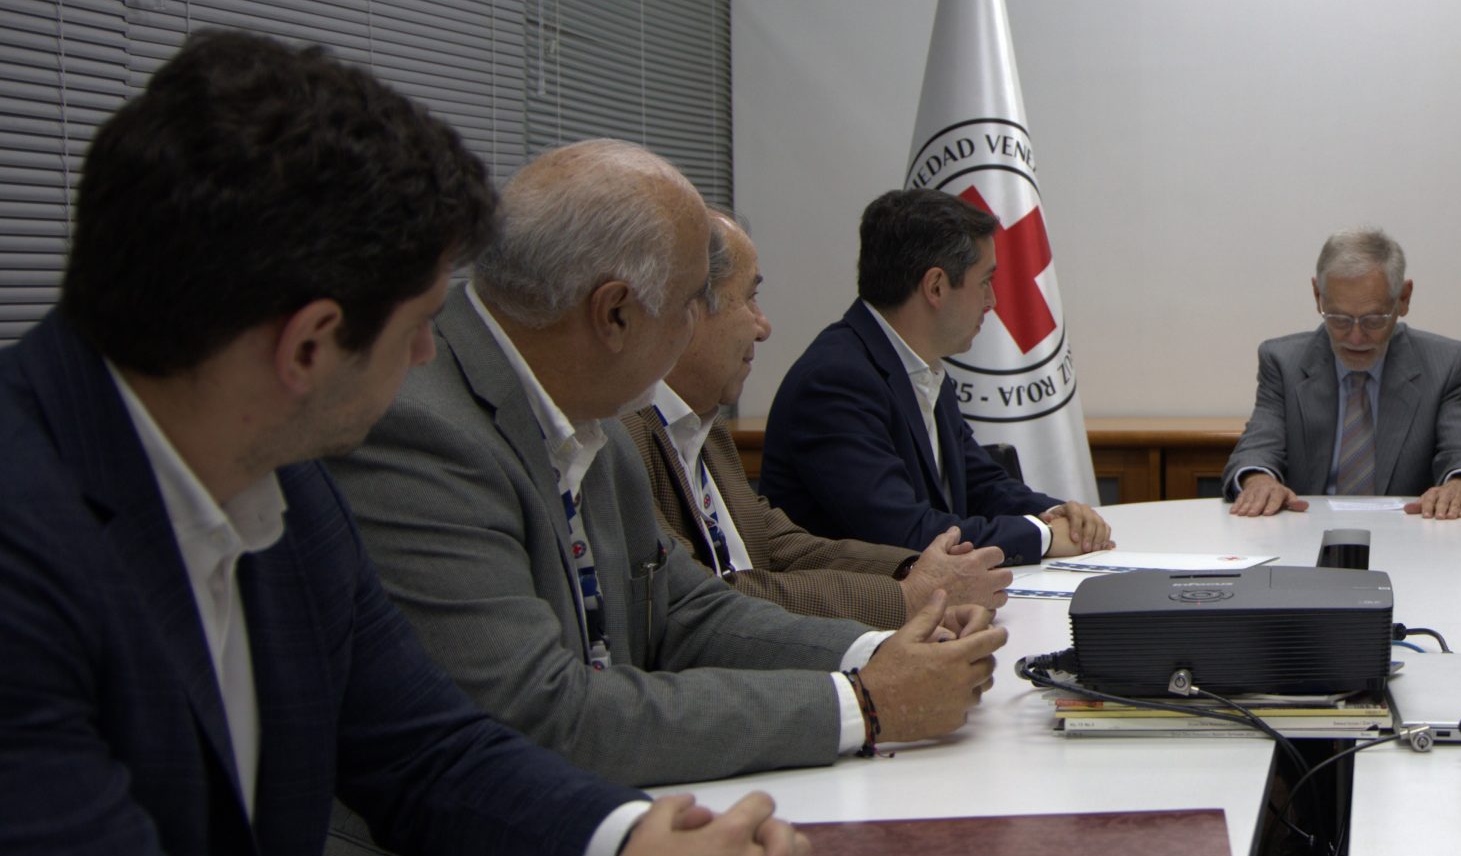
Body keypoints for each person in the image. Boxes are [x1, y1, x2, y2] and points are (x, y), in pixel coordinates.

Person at [0, 32, 809, 856]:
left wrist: (639, 843)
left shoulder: (276, 479)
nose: (434, 353)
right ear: (309, 345)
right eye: (422, 321)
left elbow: (425, 752)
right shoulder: (25, 534)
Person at [328, 143, 1006, 792]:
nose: (703, 327)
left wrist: (876, 654)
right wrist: (863, 702)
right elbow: (543, 714)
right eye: (690, 304)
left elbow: (686, 609)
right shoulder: (422, 431)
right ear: (615, 313)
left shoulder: (593, 416)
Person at [621, 210, 1013, 622]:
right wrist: (906, 596)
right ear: (685, 310)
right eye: (750, 297)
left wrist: (917, 570)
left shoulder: (705, 427)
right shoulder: (622, 440)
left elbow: (778, 544)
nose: (763, 327)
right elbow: (706, 596)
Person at [761, 189, 1113, 566]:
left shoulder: (921, 365)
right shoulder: (835, 382)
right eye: (985, 282)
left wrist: (1057, 515)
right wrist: (1042, 536)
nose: (992, 301)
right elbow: (902, 534)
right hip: (855, 601)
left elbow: (979, 484)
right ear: (936, 287)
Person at [1221, 228, 1461, 520]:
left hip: (1409, 529)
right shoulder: (1283, 362)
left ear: (1403, 298)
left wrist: (1460, 484)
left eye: (1374, 319)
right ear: (1318, 295)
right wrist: (1259, 481)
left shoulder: (1444, 363)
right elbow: (1258, 447)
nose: (1356, 337)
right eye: (1339, 319)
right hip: (1307, 528)